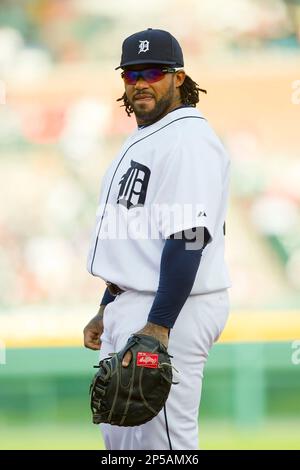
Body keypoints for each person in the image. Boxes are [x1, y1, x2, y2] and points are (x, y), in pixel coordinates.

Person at [83, 28, 231, 450]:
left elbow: (188, 236)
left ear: (179, 78)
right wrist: (107, 307)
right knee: (124, 440)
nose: (140, 82)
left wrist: (159, 325)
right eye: (131, 74)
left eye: (152, 71)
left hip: (170, 309)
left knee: (164, 443)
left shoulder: (187, 139)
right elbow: (137, 245)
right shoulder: (149, 137)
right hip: (136, 304)